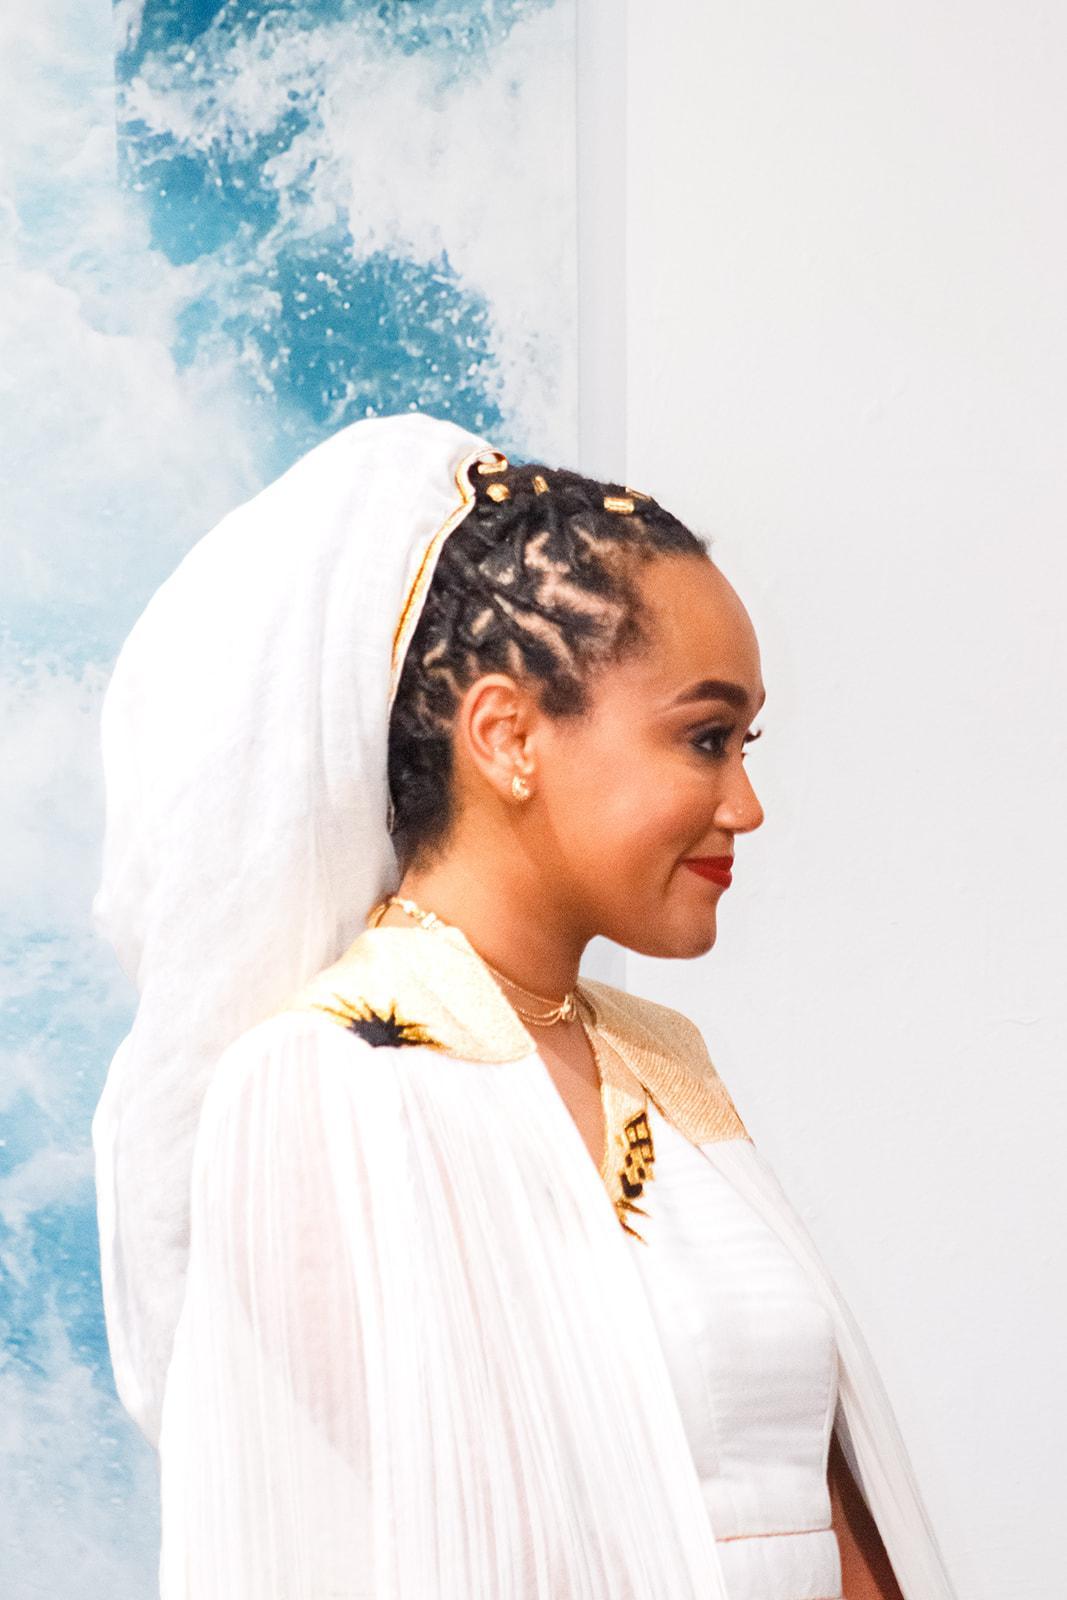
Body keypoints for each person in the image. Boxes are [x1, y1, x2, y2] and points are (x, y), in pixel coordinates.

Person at [90, 411, 957, 1599]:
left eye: (744, 743)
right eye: (704, 738)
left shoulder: (661, 1060)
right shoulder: (324, 1084)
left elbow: (819, 1495)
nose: (745, 805)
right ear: (505, 734)